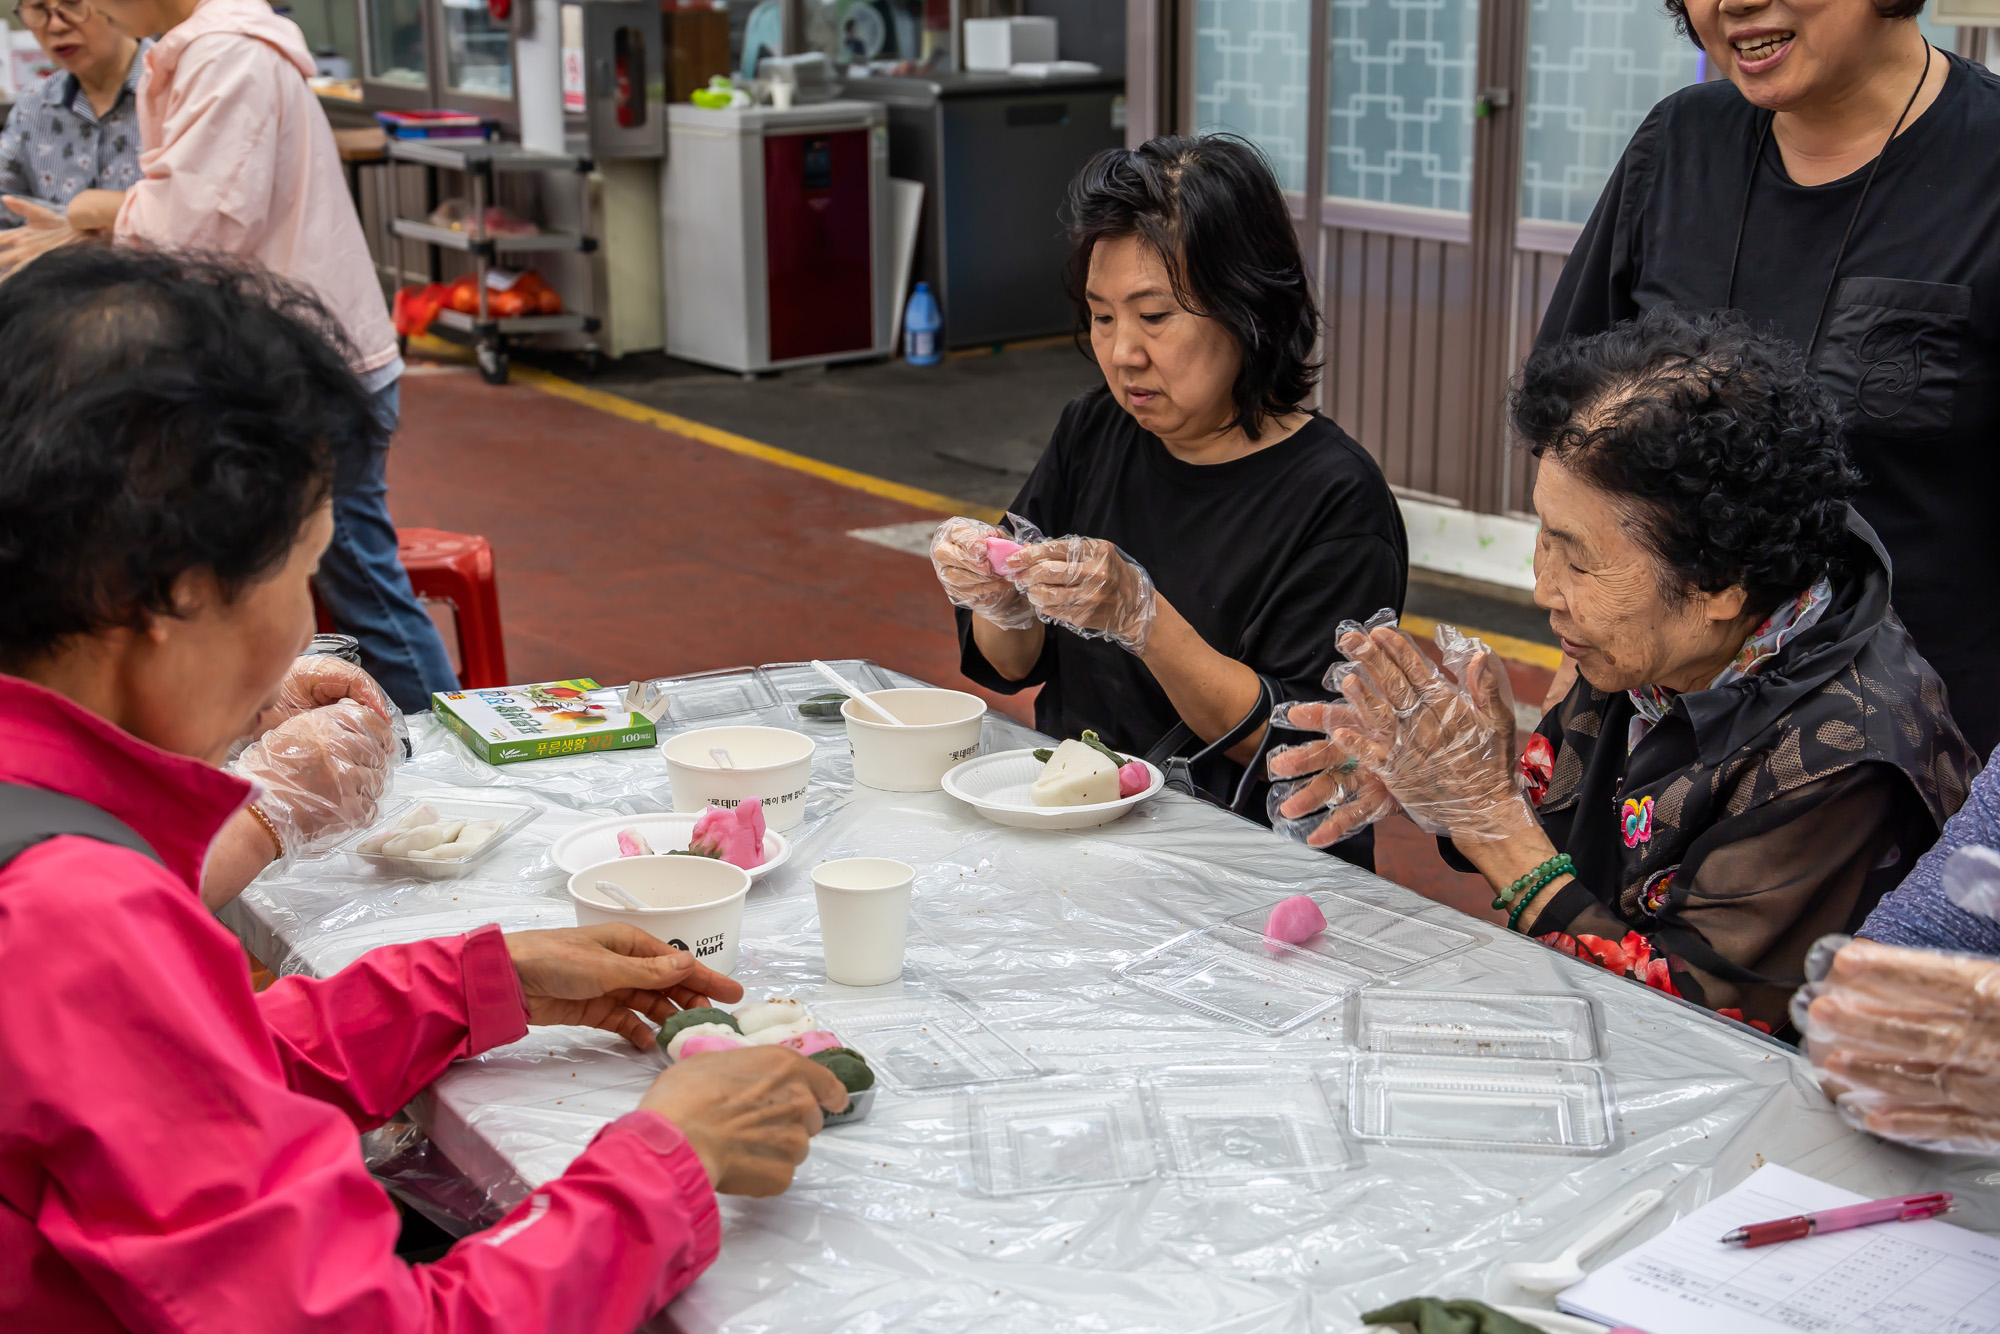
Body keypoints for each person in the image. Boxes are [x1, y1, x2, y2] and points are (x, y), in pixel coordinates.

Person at [0, 246, 847, 1331]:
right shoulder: (77, 912)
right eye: (302, 568)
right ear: (176, 592)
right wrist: (666, 1159)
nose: (309, 622)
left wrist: (474, 985)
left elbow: (164, 1097)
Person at [1270, 307, 1975, 1030]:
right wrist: (1453, 783)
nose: (1544, 587)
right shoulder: (1640, 642)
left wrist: (1490, 822)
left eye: (1577, 556)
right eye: (1544, 535)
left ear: (1720, 582)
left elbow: (1691, 1023)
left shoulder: (1844, 755)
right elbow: (1555, 836)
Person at [1536, 0, 2000, 756]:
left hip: (1909, 756)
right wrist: (1574, 649)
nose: (1735, 4)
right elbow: (1571, 429)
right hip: (1665, 735)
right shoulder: (1678, 144)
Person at [929, 134, 1407, 863]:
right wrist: (1001, 600)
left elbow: (1303, 749)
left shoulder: (1337, 498)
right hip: (1080, 838)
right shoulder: (1094, 429)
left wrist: (1144, 620)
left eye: (1154, 317)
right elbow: (1014, 664)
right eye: (1102, 316)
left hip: (1247, 873)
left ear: (1249, 309)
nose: (1124, 353)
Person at [0, 0, 460, 715]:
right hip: (270, 364)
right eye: (41, 7)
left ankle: (447, 744)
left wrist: (92, 210)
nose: (83, 14)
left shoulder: (229, 58)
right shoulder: (196, 53)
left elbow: (190, 228)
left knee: (359, 580)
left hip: (304, 370)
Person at [0, 0, 145, 237]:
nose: (55, 26)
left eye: (72, 4)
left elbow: (196, 214)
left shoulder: (175, 84)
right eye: (38, 9)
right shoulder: (36, 102)